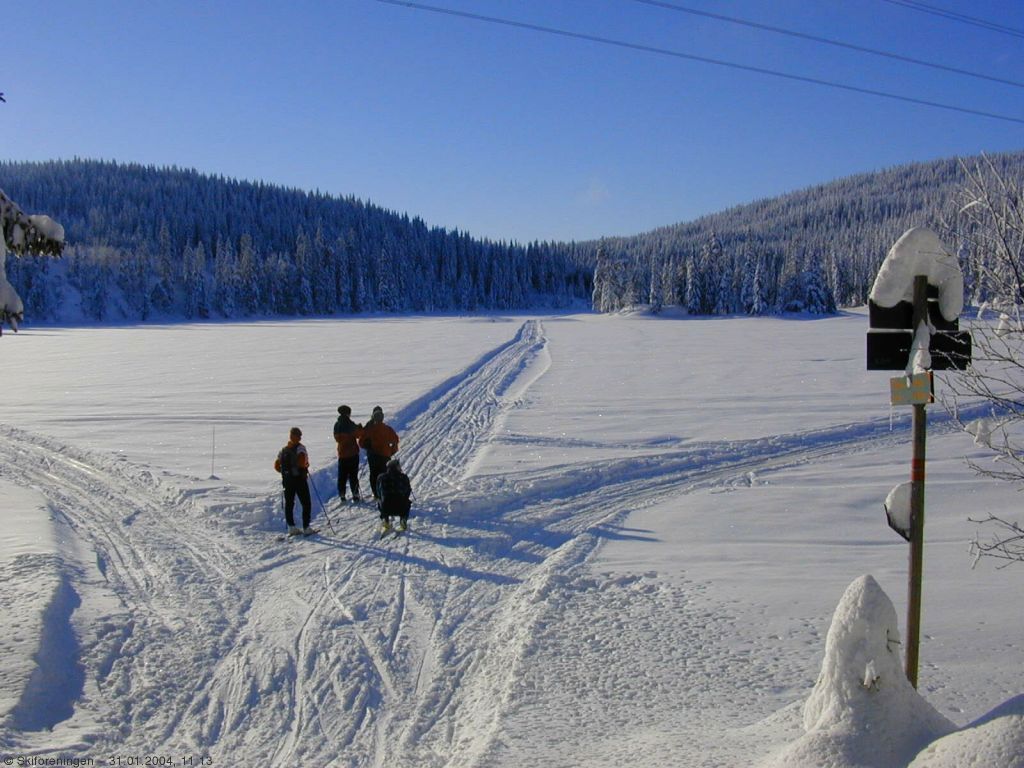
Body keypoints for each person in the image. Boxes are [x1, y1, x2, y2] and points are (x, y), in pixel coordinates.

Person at [274, 426, 312, 535]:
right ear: (298, 437)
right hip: (299, 478)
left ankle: (291, 527)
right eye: (299, 435)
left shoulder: (284, 450)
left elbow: (277, 465)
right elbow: (301, 462)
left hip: (287, 480)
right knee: (306, 503)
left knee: (289, 503)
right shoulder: (300, 448)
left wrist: (285, 472)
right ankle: (306, 527)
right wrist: (305, 466)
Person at [359, 405, 399, 501]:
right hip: (385, 455)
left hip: (372, 456)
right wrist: (391, 451)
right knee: (385, 473)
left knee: (374, 474)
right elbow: (395, 440)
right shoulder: (388, 429)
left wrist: (367, 446)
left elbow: (360, 442)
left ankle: (376, 493)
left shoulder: (369, 430)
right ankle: (386, 491)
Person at [333, 405, 363, 503]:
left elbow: (336, 438)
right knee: (353, 475)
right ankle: (355, 494)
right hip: (353, 453)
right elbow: (358, 435)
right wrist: (359, 428)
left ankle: (342, 494)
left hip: (342, 454)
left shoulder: (337, 425)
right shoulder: (350, 424)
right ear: (347, 413)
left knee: (342, 476)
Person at [377, 458, 412, 533]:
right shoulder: (404, 477)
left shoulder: (381, 477)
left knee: (380, 501)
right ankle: (403, 520)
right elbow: (408, 491)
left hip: (385, 507)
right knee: (408, 502)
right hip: (401, 507)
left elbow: (378, 492)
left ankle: (385, 520)